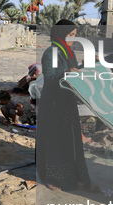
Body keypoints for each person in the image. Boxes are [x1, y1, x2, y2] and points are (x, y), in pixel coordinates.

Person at [36, 19, 93, 191]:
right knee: (55, 142)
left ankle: (77, 178)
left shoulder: (69, 52)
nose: (73, 39)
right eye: (70, 35)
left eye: (75, 35)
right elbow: (51, 78)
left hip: (67, 102)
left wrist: (88, 65)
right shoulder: (52, 53)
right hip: (54, 104)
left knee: (71, 141)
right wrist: (66, 73)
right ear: (61, 34)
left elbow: (74, 72)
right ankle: (53, 179)